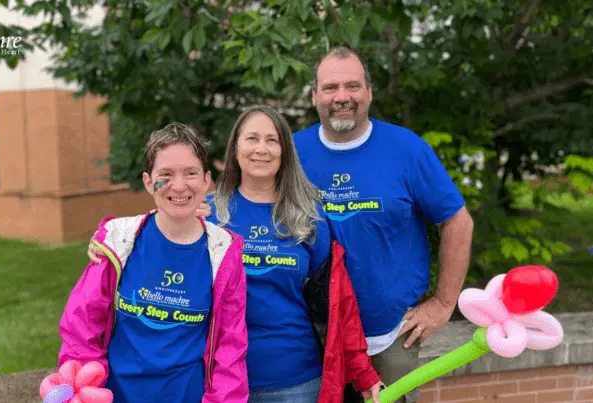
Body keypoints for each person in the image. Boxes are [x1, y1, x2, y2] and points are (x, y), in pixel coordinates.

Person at [88, 106, 385, 402]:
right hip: (217, 381)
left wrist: (362, 373)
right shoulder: (206, 212)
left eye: (272, 140)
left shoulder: (309, 217)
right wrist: (107, 240)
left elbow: (338, 305)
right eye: (252, 138)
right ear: (235, 148)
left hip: (295, 379)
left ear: (284, 151)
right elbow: (155, 236)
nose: (261, 149)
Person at [293, 46, 475, 403]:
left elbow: (458, 222)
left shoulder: (407, 149)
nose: (341, 97)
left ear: (369, 93)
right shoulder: (291, 153)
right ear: (314, 95)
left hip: (389, 338)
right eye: (330, 88)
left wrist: (442, 302)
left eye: (353, 86)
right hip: (313, 336)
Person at [59, 123, 249, 403]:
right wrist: (82, 389)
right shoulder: (118, 241)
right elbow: (83, 328)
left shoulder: (224, 252)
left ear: (207, 181)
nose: (179, 185)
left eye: (191, 173)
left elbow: (230, 346)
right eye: (166, 175)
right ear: (148, 182)